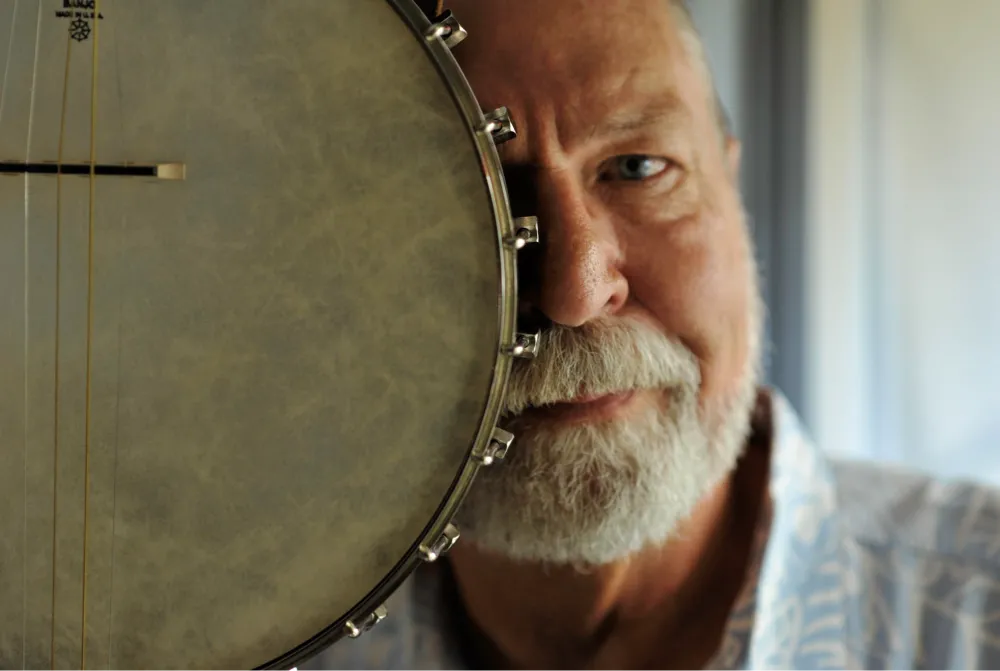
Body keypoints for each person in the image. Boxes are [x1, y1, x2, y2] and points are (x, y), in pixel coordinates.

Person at [305, 1, 1000, 669]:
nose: (574, 293)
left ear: (732, 188)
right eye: (475, 197)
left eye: (637, 168)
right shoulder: (268, 644)